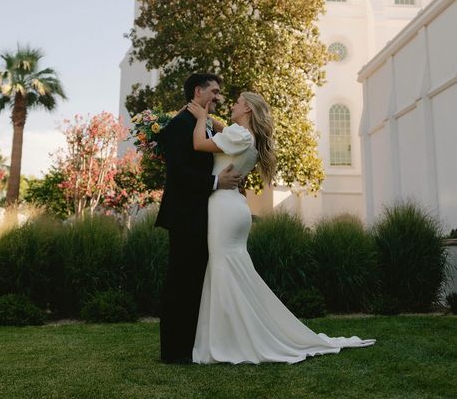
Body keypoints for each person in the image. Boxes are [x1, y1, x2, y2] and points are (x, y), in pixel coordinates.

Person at [187, 92, 376, 364]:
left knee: (223, 267)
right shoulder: (241, 135)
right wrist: (212, 120)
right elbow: (222, 129)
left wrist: (202, 118)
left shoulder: (239, 135)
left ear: (248, 110)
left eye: (238, 102)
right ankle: (234, 333)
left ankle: (228, 339)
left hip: (224, 208)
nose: (232, 105)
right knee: (235, 270)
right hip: (234, 207)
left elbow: (198, 143)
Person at [155, 73, 242, 364]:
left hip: (201, 217)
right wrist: (216, 182)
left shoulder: (201, 126)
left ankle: (190, 347)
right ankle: (173, 351)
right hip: (184, 217)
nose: (218, 97)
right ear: (198, 91)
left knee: (193, 283)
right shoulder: (180, 125)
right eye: (214, 91)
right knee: (180, 282)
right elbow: (180, 174)